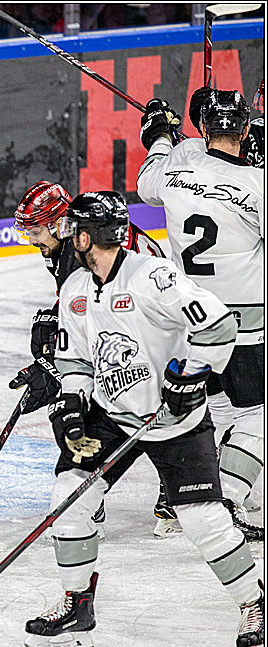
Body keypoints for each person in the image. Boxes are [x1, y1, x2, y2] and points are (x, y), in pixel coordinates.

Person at [24, 190, 262, 647]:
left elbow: (218, 324)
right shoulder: (76, 289)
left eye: (74, 230)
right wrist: (71, 405)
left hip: (173, 420)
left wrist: (192, 375)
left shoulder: (153, 277)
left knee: (202, 520)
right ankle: (77, 605)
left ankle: (255, 603)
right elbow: (76, 359)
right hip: (113, 415)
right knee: (69, 497)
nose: (69, 237)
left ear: (86, 237)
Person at [137, 89, 265, 543]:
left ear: (203, 128)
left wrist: (160, 134)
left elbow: (147, 183)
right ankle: (226, 498)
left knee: (206, 408)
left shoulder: (177, 164)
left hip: (190, 317)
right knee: (259, 415)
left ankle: (175, 498)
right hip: (243, 322)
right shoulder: (257, 185)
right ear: (245, 131)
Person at [8, 181, 166, 536]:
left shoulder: (83, 250)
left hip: (149, 336)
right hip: (129, 326)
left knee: (131, 411)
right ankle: (91, 498)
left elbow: (107, 315)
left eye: (36, 231)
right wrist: (57, 321)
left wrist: (56, 367)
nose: (31, 240)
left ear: (58, 225)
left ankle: (165, 493)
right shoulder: (72, 244)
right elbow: (85, 302)